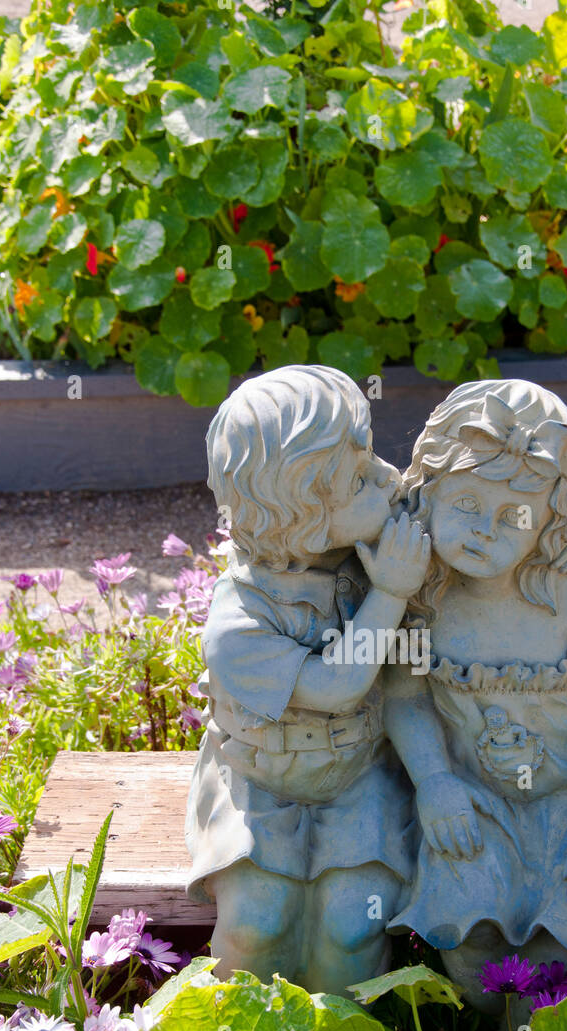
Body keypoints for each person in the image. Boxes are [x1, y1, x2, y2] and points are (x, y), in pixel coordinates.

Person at [384, 379, 567, 1012]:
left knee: (566, 927)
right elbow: (407, 701)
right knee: (468, 926)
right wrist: (436, 782)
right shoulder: (420, 605)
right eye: (466, 502)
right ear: (428, 490)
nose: (485, 531)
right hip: (474, 803)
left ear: (550, 521)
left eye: (514, 517)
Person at [185, 364, 430, 995]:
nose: (387, 477)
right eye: (357, 478)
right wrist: (392, 593)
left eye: (370, 457)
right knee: (256, 923)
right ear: (303, 520)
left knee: (354, 924)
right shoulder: (239, 621)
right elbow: (334, 686)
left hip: (359, 776)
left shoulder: (359, 549)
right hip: (264, 784)